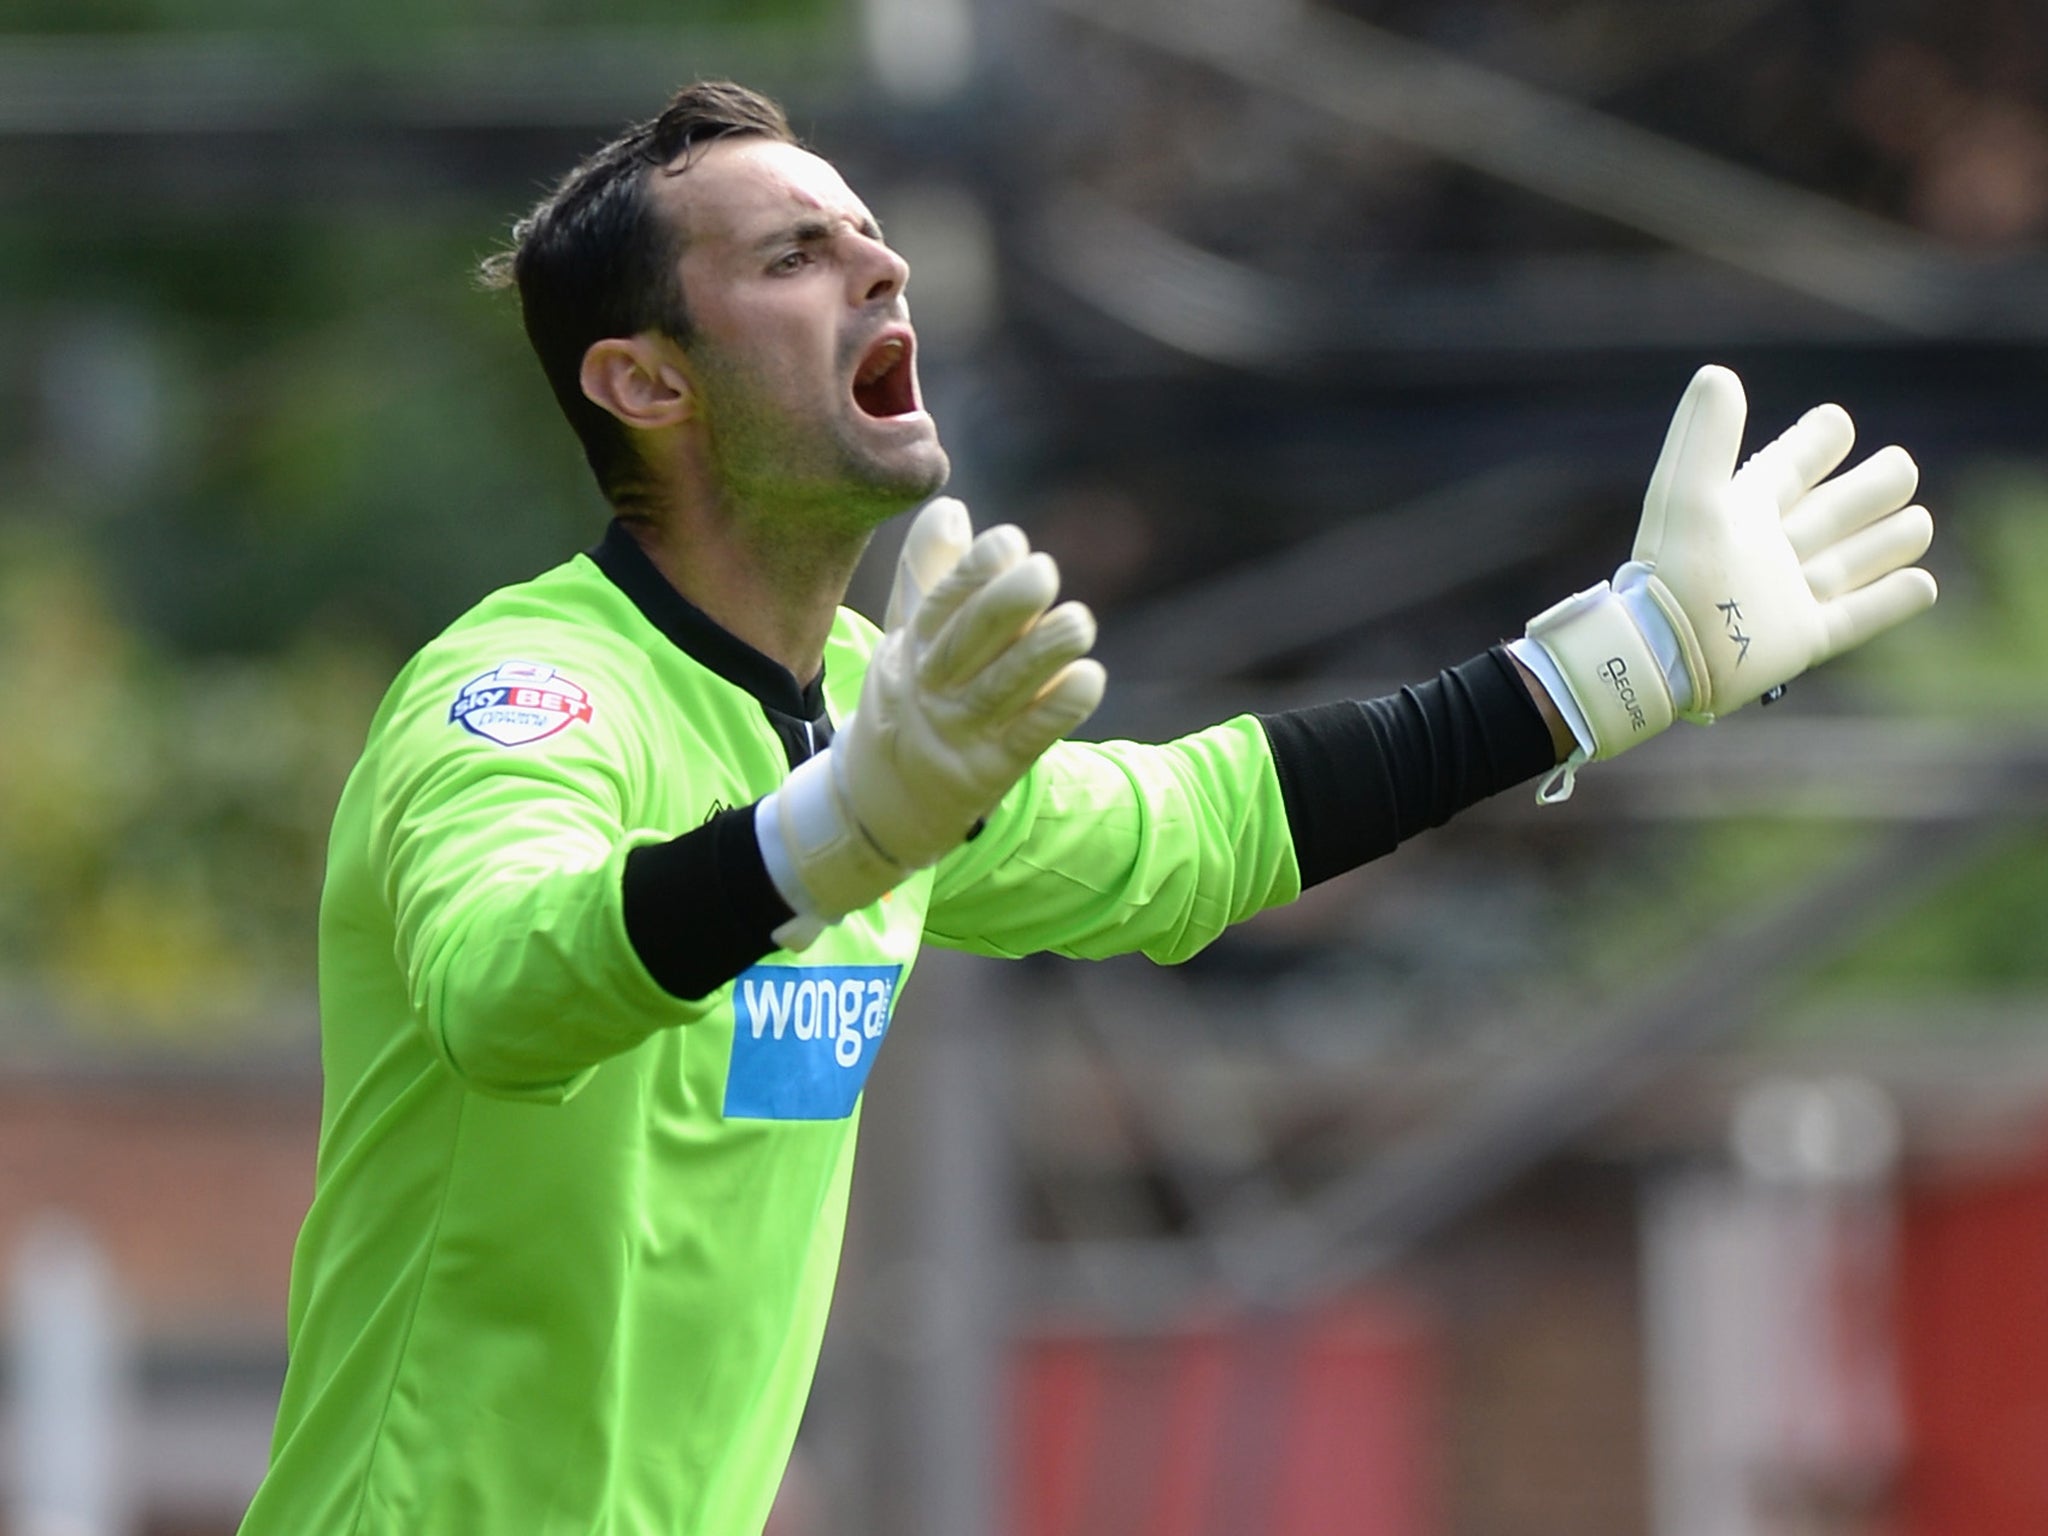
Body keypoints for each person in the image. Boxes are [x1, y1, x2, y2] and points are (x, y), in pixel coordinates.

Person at [237, 80, 1937, 1535]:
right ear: (647, 383)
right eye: (792, 256)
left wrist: (1614, 664)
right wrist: (838, 834)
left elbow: (1188, 836)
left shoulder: (870, 713)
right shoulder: (533, 694)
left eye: (866, 233)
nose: (878, 262)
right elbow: (500, 986)